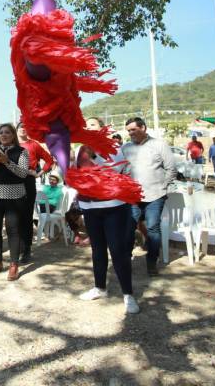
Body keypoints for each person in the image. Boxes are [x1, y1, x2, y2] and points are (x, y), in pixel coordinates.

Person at [76, 142, 140, 314]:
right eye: (87, 125)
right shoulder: (79, 150)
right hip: (89, 208)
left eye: (94, 125)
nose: (89, 129)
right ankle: (100, 288)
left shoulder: (114, 148)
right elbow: (72, 176)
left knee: (118, 250)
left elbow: (114, 171)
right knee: (97, 251)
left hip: (113, 207)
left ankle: (128, 294)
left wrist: (95, 156)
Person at [121, 117, 177, 276]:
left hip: (155, 195)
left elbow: (171, 169)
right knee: (128, 228)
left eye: (133, 130)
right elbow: (121, 168)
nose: (130, 133)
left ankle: (152, 262)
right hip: (132, 196)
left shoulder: (159, 145)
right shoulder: (126, 148)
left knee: (152, 228)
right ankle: (125, 260)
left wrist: (162, 187)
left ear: (143, 128)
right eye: (128, 131)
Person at [0, 123, 29, 281]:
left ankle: (14, 264)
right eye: (1, 132)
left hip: (15, 198)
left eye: (7, 132)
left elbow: (23, 174)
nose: (4, 135)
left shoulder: (22, 151)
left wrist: (7, 161)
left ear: (13, 134)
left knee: (13, 230)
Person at [17, 122, 54, 263]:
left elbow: (49, 160)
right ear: (16, 130)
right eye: (20, 126)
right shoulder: (11, 144)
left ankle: (26, 249)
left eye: (26, 126)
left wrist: (39, 173)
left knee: (26, 216)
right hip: (11, 182)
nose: (23, 129)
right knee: (14, 216)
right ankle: (18, 247)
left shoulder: (34, 145)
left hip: (28, 180)